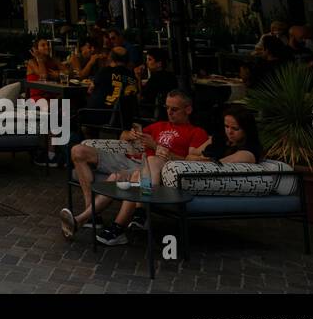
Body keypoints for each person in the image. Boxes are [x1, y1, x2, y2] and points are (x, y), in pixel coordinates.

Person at [95, 103, 258, 246]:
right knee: (143, 171)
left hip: (193, 178)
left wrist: (198, 158)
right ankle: (134, 217)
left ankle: (124, 223)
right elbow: (192, 155)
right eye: (226, 126)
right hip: (176, 170)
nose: (229, 132)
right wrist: (200, 157)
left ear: (247, 129)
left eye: (234, 128)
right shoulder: (220, 140)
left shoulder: (247, 153)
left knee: (145, 169)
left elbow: (215, 165)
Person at [63, 89, 209, 241]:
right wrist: (130, 135)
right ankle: (87, 217)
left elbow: (190, 161)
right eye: (167, 108)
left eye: (174, 109)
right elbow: (122, 136)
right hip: (134, 159)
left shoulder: (196, 132)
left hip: (156, 168)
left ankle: (115, 225)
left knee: (123, 176)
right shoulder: (159, 125)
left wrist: (156, 147)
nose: (169, 112)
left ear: (188, 109)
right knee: (78, 150)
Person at [139, 47, 178, 117]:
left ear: (159, 63)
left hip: (154, 112)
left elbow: (142, 97)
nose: (147, 62)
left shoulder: (156, 77)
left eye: (149, 59)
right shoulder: (171, 76)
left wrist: (138, 77)